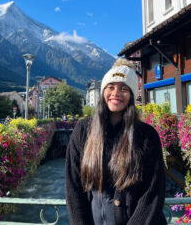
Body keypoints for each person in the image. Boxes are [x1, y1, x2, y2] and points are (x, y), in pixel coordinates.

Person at [65, 58, 167, 225]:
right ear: (103, 91)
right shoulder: (83, 130)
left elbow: (153, 193)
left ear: (132, 95)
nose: (116, 93)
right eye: (110, 87)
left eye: (124, 88)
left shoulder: (147, 135)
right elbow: (73, 188)